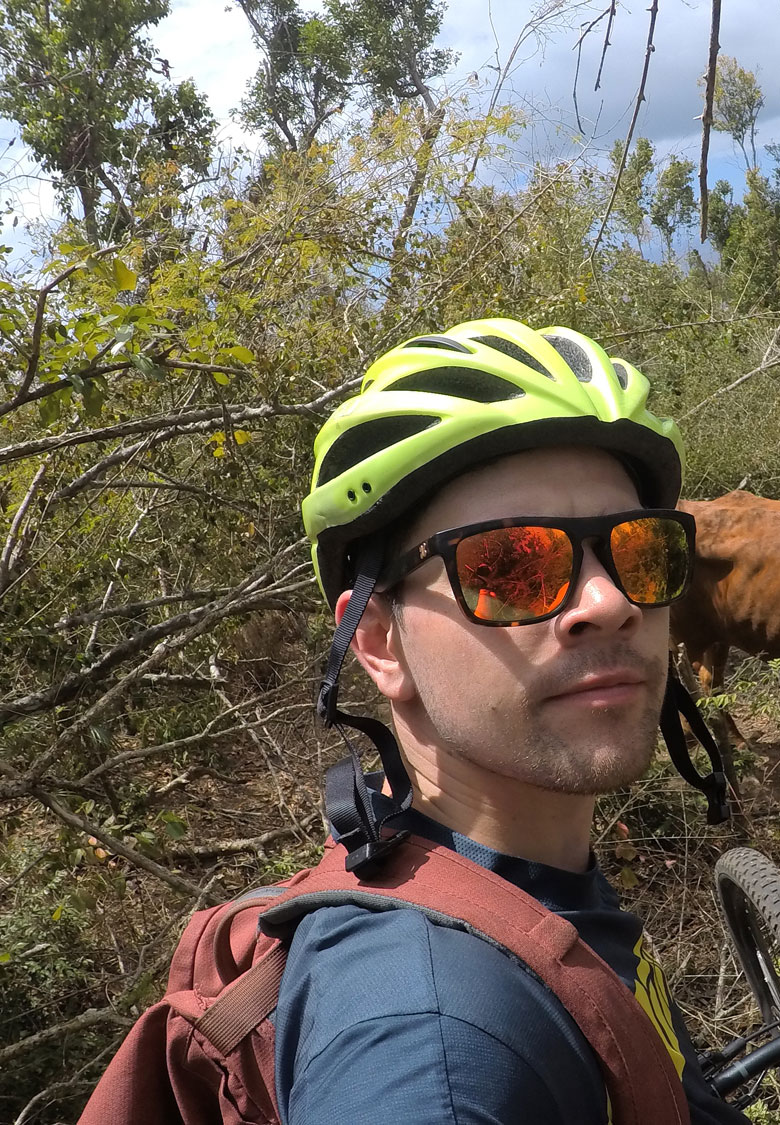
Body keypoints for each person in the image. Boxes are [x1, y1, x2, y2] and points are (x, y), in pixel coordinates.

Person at [285, 317, 747, 1122]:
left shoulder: (515, 874)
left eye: (639, 552)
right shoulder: (435, 1052)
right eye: (511, 565)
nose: (607, 603)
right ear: (378, 641)